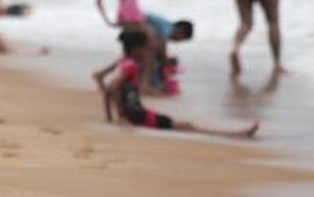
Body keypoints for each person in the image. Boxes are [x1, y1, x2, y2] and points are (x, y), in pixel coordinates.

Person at [93, 31, 259, 138]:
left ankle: (237, 134)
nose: (147, 53)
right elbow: (112, 88)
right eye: (145, 49)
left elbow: (111, 90)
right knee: (188, 127)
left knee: (185, 125)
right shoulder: (130, 66)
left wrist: (112, 117)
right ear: (136, 49)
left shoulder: (125, 63)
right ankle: (236, 135)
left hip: (138, 114)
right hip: (139, 116)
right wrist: (121, 118)